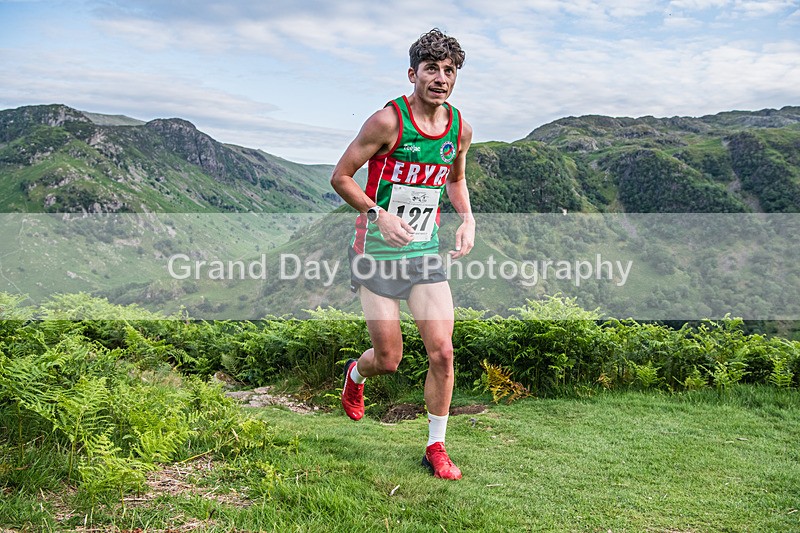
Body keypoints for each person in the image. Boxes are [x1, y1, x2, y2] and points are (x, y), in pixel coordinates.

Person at [330, 28, 475, 480]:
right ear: (413, 73)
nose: (441, 78)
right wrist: (379, 214)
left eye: (449, 70)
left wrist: (467, 218)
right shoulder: (387, 122)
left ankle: (436, 445)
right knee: (388, 359)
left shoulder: (459, 128)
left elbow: (454, 180)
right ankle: (356, 375)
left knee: (443, 353)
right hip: (375, 251)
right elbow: (341, 177)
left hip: (425, 252)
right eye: (432, 68)